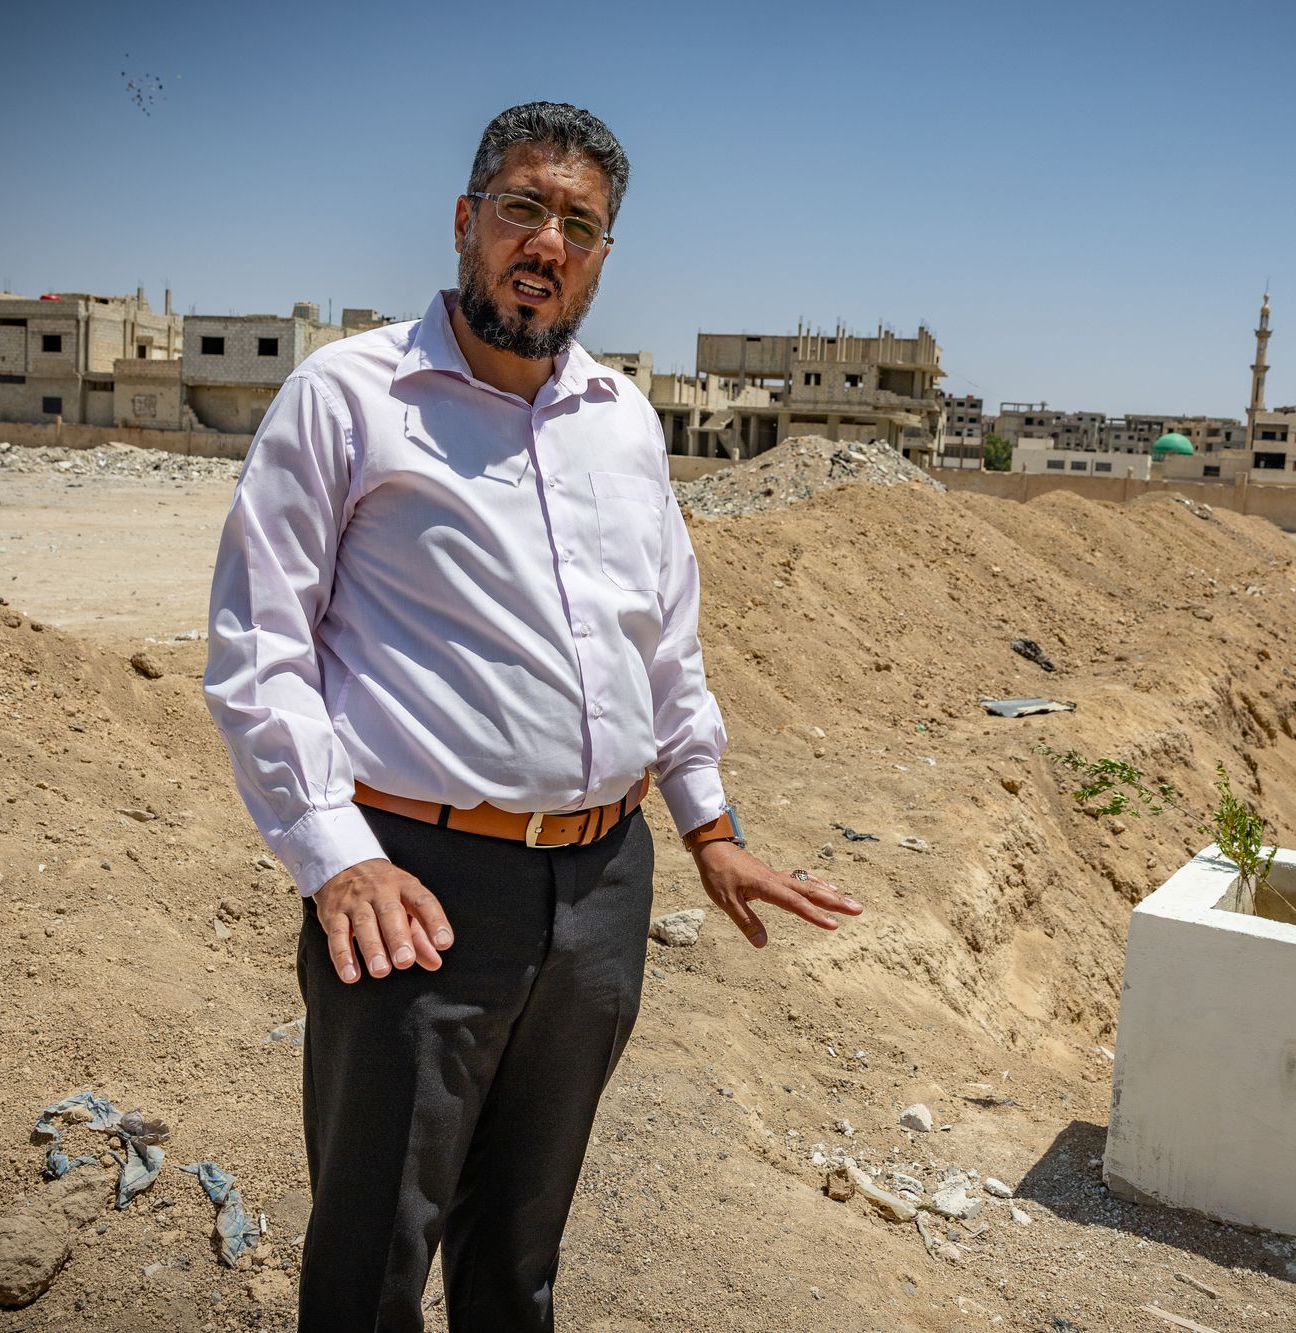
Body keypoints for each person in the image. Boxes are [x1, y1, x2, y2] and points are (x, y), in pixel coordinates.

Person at [203, 100, 862, 1332]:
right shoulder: (349, 398)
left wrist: (710, 829)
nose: (546, 243)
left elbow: (663, 644)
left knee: (519, 1252)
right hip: (417, 887)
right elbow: (259, 646)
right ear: (466, 221)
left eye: (579, 224)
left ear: (602, 256)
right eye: (522, 208)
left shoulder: (622, 420)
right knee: (373, 1255)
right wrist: (337, 857)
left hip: (603, 887)